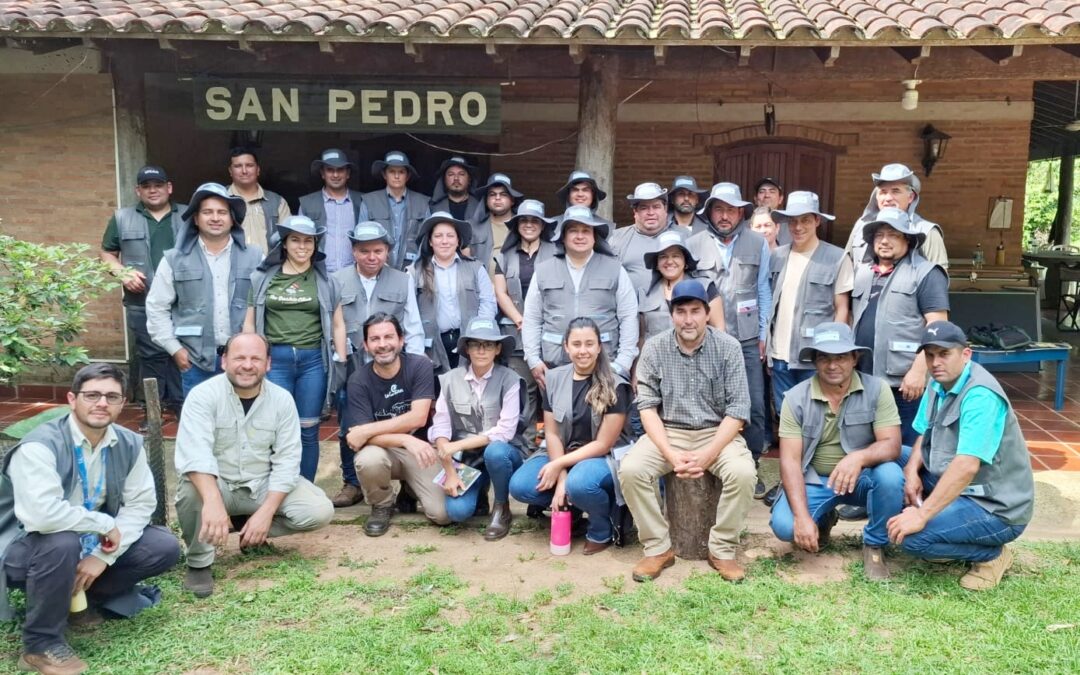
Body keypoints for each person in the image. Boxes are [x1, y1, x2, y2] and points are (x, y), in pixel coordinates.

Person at [0, 364, 180, 675]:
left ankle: (77, 600)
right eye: (92, 395)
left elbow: (141, 504)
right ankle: (39, 644)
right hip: (24, 545)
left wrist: (101, 557)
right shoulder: (39, 445)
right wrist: (103, 525)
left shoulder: (127, 442)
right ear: (72, 399)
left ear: (122, 403)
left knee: (163, 546)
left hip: (87, 544)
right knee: (61, 542)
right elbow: (42, 516)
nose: (101, 403)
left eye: (112, 396)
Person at [175, 333, 334, 599]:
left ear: (268, 364)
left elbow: (287, 461)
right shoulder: (202, 396)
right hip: (219, 485)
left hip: (261, 485)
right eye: (239, 357)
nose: (247, 365)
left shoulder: (282, 400)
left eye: (255, 358)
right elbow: (195, 454)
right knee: (191, 490)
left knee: (319, 510)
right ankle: (199, 562)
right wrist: (213, 501)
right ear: (224, 361)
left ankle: (248, 527)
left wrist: (266, 513)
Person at [619, 280, 756, 582]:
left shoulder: (728, 348)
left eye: (696, 311)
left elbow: (737, 411)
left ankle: (721, 549)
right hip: (668, 432)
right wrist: (670, 453)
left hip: (717, 433)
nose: (688, 319)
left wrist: (708, 455)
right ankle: (658, 548)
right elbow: (647, 407)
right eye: (681, 312)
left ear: (707, 313)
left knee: (743, 473)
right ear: (672, 315)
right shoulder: (655, 348)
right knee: (631, 469)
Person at [888, 321, 1034, 590]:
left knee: (913, 539)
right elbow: (924, 433)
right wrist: (910, 472)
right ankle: (947, 534)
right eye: (930, 355)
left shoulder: (980, 396)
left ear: (965, 355)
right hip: (957, 482)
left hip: (994, 506)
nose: (935, 362)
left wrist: (922, 516)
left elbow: (966, 466)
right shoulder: (937, 382)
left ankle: (993, 555)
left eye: (944, 354)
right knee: (892, 458)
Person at [768, 323, 903, 581]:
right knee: (786, 528)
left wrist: (858, 457)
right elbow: (790, 461)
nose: (832, 365)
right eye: (824, 358)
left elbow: (892, 444)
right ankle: (822, 518)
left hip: (861, 477)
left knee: (890, 475)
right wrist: (802, 517)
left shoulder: (877, 389)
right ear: (815, 362)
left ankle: (874, 544)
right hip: (817, 479)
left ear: (854, 358)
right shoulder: (795, 398)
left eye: (840, 357)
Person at [509, 318, 633, 554]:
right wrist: (561, 476)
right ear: (566, 347)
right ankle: (573, 510)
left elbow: (603, 443)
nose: (583, 350)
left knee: (580, 483)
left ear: (599, 347)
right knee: (521, 485)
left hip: (602, 457)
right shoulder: (554, 378)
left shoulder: (616, 385)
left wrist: (560, 467)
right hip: (561, 451)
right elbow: (553, 433)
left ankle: (601, 527)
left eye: (589, 344)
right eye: (576, 344)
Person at [244, 215, 348, 481]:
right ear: (285, 244)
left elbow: (338, 324)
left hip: (312, 361)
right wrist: (250, 361)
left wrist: (342, 362)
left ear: (315, 245)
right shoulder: (262, 278)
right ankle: (274, 488)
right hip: (275, 361)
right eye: (295, 240)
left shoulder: (327, 281)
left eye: (308, 241)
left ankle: (305, 489)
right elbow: (250, 324)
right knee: (274, 427)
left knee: (308, 428)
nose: (302, 246)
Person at [329, 221, 426, 507]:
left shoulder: (402, 279)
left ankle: (409, 477)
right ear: (354, 251)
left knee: (404, 414)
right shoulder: (336, 279)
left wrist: (415, 362)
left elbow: (413, 322)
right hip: (352, 365)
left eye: (378, 251)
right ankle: (351, 481)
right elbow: (330, 324)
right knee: (349, 418)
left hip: (394, 363)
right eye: (364, 251)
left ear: (387, 251)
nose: (372, 257)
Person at [687, 182, 772, 497]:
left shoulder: (757, 243)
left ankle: (751, 467)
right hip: (703, 340)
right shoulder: (692, 243)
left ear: (741, 213)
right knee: (707, 404)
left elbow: (763, 289)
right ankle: (712, 467)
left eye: (731, 209)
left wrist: (763, 334)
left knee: (752, 406)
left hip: (746, 340)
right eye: (718, 209)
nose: (725, 216)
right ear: (709, 212)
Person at [146, 182, 263, 396]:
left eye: (222, 212)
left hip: (244, 361)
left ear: (232, 218)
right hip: (195, 361)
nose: (215, 218)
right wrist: (176, 350)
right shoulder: (175, 259)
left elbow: (267, 306)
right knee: (200, 425)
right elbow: (156, 307)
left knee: (244, 422)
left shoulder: (255, 257)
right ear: (196, 219)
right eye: (207, 212)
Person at [345, 313, 450, 536]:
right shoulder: (357, 381)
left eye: (388, 337)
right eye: (375, 339)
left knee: (442, 515)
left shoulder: (420, 365)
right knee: (368, 458)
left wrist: (366, 430)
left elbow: (418, 418)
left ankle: (410, 490)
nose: (382, 345)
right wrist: (405, 438)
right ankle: (382, 505)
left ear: (401, 340)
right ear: (365, 345)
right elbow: (358, 440)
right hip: (385, 452)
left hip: (422, 452)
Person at [852, 207, 949, 446]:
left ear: (908, 239)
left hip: (903, 383)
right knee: (865, 444)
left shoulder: (926, 273)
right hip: (862, 378)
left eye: (893, 234)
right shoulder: (861, 272)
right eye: (879, 235)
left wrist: (919, 371)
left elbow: (938, 326)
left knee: (904, 447)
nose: (884, 241)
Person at [100, 165, 185, 420]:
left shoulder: (188, 216)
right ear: (138, 191)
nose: (153, 190)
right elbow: (107, 253)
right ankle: (153, 411)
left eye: (158, 185)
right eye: (146, 186)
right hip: (142, 301)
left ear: (168, 188)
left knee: (181, 353)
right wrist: (122, 273)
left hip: (184, 301)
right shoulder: (122, 218)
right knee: (151, 356)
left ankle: (183, 407)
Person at [523, 205, 639, 386]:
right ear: (563, 236)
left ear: (594, 237)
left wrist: (623, 363)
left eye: (586, 230)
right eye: (573, 230)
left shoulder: (615, 269)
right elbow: (532, 318)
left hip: (605, 367)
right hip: (554, 367)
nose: (580, 236)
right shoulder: (544, 270)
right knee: (557, 414)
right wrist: (533, 360)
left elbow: (629, 317)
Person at [430, 318, 524, 540]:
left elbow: (505, 432)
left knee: (496, 451)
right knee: (457, 512)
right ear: (467, 349)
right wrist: (450, 471)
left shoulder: (510, 379)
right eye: (475, 344)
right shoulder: (450, 380)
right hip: (467, 460)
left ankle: (501, 507)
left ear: (498, 348)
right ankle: (479, 489)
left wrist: (458, 444)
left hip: (503, 454)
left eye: (489, 345)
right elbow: (441, 427)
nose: (482, 350)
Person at [767, 191, 853, 412]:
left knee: (819, 415)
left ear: (817, 220)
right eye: (793, 221)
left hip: (816, 356)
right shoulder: (777, 256)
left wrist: (834, 353)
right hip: (780, 356)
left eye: (805, 220)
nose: (798, 227)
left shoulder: (837, 257)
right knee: (786, 415)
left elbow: (841, 308)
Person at [493, 200, 558, 453]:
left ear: (542, 225)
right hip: (516, 333)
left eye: (534, 221)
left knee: (552, 390)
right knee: (524, 391)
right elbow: (501, 292)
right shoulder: (504, 256)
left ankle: (556, 446)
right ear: (517, 225)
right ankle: (528, 447)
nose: (529, 225)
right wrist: (521, 320)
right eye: (524, 221)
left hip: (551, 334)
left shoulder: (556, 252)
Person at [410, 212, 497, 373]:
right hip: (430, 347)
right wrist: (416, 349)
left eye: (450, 236)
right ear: (430, 241)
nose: (444, 241)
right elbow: (409, 313)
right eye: (438, 236)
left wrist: (479, 337)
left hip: (469, 343)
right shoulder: (415, 271)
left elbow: (488, 303)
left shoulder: (476, 268)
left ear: (458, 241)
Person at [844, 163, 949, 269]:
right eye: (883, 192)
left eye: (895, 191)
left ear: (910, 197)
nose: (888, 198)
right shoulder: (861, 226)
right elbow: (845, 268)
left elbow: (938, 280)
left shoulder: (928, 232)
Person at [639, 230, 724, 342]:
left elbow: (720, 331)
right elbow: (641, 338)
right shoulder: (646, 294)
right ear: (657, 264)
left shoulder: (706, 287)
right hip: (658, 358)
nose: (669, 261)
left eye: (676, 256)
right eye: (663, 256)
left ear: (686, 261)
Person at [358, 151, 431, 270]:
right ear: (384, 175)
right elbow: (361, 238)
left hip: (413, 269)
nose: (396, 176)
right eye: (392, 171)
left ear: (407, 176)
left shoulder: (422, 202)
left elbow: (428, 239)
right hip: (377, 269)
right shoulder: (369, 201)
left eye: (401, 172)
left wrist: (418, 265)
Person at [298, 148, 364, 275]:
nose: (335, 175)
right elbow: (300, 240)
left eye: (340, 170)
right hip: (318, 273)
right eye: (330, 170)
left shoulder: (362, 201)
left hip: (355, 273)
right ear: (322, 173)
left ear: (348, 173)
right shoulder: (307, 203)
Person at [609, 182, 679, 290]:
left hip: (674, 305)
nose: (650, 212)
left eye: (656, 207)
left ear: (665, 210)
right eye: (644, 208)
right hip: (632, 306)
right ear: (635, 212)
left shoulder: (682, 236)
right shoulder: (617, 239)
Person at [225, 147, 291, 254]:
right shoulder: (220, 199)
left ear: (258, 170)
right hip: (230, 268)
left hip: (268, 268)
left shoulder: (277, 202)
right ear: (230, 171)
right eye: (238, 166)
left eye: (249, 165)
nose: (244, 171)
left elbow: (289, 238)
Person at [468, 172, 523, 269]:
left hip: (514, 283)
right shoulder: (471, 227)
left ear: (512, 200)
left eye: (503, 194)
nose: (497, 198)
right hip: (481, 283)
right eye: (492, 194)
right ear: (486, 200)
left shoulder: (524, 226)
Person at [429, 156, 484, 222]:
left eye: (461, 174)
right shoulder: (433, 208)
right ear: (444, 180)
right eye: (451, 174)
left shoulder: (480, 207)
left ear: (469, 179)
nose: (456, 178)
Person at [753, 177, 791, 246]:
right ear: (755, 199)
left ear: (780, 199)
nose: (767, 195)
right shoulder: (745, 225)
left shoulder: (790, 226)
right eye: (762, 192)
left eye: (772, 191)